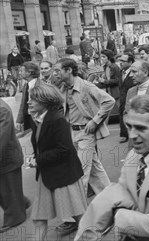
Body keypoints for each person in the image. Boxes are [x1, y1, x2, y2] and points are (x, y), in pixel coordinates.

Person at [76, 94, 149, 240]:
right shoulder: (134, 155)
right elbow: (119, 194)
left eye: (140, 128)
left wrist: (118, 215)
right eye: (129, 126)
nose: (132, 135)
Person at [54, 58, 114, 229]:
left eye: (59, 70)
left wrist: (95, 121)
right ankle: (114, 203)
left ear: (69, 71)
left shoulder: (86, 86)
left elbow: (109, 101)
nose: (56, 73)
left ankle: (80, 219)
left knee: (80, 176)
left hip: (86, 135)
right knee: (97, 173)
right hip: (72, 133)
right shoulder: (64, 88)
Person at [28, 83, 88, 239]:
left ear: (44, 100)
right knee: (38, 218)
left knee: (79, 216)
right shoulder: (40, 118)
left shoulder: (57, 119)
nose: (29, 102)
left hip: (63, 175)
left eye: (33, 99)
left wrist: (38, 159)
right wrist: (37, 159)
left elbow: (64, 149)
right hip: (47, 175)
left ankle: (91, 237)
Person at [0, 99, 29, 233]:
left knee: (8, 186)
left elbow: (2, 139)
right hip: (5, 157)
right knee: (7, 188)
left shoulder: (2, 110)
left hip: (7, 157)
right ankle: (21, 202)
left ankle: (15, 218)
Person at [16, 62, 42, 135]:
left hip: (39, 119)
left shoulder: (41, 85)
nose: (20, 73)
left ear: (29, 72)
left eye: (22, 71)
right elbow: (23, 104)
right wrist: (19, 120)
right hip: (30, 118)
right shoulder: (26, 85)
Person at [117, 52, 136, 143]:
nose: (121, 62)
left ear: (130, 62)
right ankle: (123, 134)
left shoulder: (134, 73)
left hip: (131, 100)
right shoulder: (121, 72)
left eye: (123, 61)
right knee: (122, 115)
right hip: (122, 99)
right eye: (120, 60)